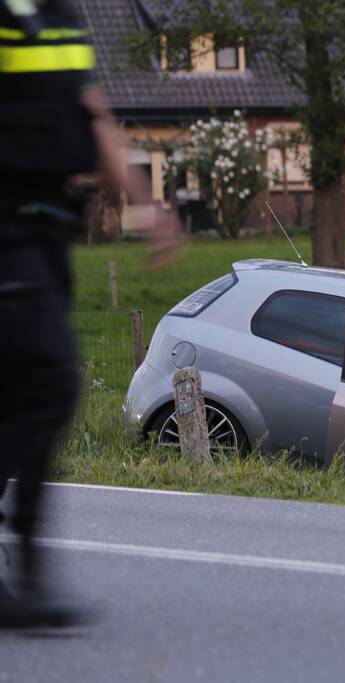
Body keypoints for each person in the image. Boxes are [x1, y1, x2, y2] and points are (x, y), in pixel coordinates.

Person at [0, 0, 181, 627]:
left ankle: (21, 576)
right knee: (49, 381)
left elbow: (92, 111)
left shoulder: (59, 13)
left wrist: (145, 206)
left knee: (23, 392)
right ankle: (21, 573)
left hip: (48, 234)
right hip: (6, 231)